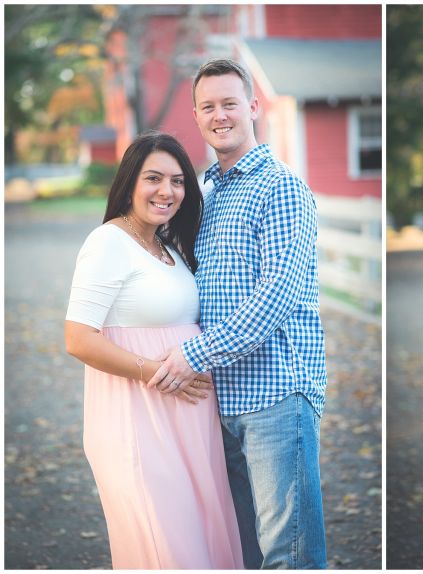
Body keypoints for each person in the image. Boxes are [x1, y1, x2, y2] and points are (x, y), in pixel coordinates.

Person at [146, 58, 327, 569]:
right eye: (208, 107)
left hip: (274, 396)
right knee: (243, 552)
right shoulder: (203, 193)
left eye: (229, 103)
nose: (219, 115)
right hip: (216, 401)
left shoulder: (281, 187)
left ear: (252, 107)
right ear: (197, 116)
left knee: (288, 555)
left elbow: (277, 296)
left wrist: (193, 355)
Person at [64, 132, 243, 568]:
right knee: (169, 551)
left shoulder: (167, 248)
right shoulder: (108, 243)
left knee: (204, 547)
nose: (167, 191)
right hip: (139, 422)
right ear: (129, 182)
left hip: (191, 426)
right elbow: (78, 337)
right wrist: (154, 372)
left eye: (178, 181)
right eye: (154, 178)